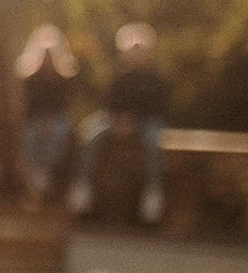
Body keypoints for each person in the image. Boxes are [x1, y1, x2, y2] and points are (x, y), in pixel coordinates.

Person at [68, 22, 171, 224]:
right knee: (91, 132)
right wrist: (118, 120)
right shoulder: (120, 78)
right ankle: (82, 186)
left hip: (145, 123)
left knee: (153, 140)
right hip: (116, 121)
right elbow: (108, 103)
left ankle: (153, 192)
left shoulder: (155, 80)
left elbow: (158, 108)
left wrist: (133, 120)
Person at [16, 24, 77, 199]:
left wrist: (50, 121)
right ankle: (36, 172)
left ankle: (48, 170)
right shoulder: (30, 79)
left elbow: (64, 106)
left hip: (57, 120)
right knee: (30, 135)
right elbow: (28, 106)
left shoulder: (62, 79)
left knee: (58, 132)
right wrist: (41, 121)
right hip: (35, 121)